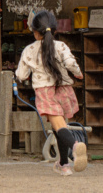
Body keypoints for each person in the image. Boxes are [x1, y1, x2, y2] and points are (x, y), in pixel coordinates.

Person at [15, 10, 87, 176]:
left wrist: (25, 77)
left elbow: (21, 75)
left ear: (34, 31)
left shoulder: (29, 50)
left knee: (59, 127)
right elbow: (70, 63)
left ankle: (76, 147)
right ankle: (64, 165)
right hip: (63, 88)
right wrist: (78, 73)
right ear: (54, 29)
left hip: (45, 91)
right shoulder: (61, 46)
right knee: (59, 127)